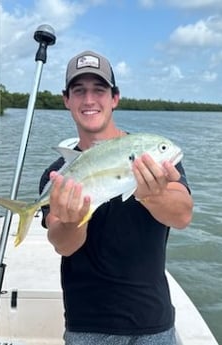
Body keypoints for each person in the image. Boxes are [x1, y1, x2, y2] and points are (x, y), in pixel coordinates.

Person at [39, 50, 193, 345]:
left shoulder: (149, 154)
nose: (89, 100)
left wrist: (151, 195)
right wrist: (72, 222)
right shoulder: (57, 174)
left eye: (99, 90)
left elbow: (183, 214)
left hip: (154, 322)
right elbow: (63, 244)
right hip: (87, 326)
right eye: (79, 91)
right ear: (66, 99)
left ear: (115, 98)